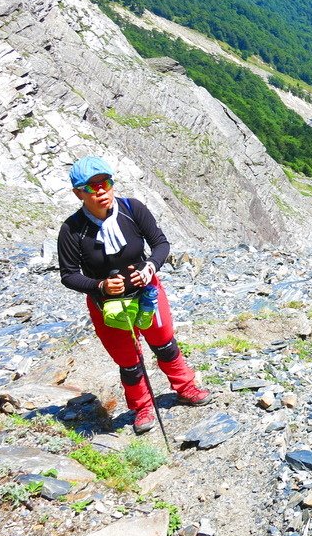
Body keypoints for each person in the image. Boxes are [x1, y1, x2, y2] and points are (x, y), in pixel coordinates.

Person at [57, 156, 211, 435]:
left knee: (164, 344)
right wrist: (100, 286)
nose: (101, 191)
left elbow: (160, 244)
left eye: (105, 183)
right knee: (129, 361)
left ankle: (186, 388)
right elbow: (68, 275)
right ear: (78, 193)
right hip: (107, 305)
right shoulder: (71, 229)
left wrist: (150, 267)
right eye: (91, 187)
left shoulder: (132, 209)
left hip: (147, 291)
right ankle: (142, 408)